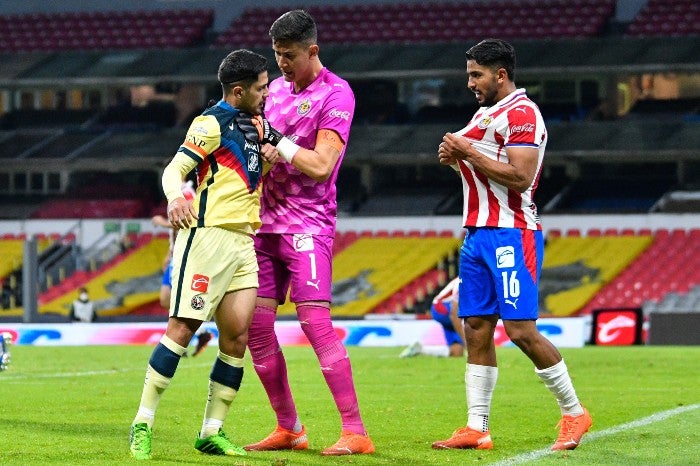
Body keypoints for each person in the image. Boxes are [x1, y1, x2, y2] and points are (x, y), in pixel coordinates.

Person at [432, 39, 592, 452]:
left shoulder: (522, 113)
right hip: (476, 235)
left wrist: (464, 148)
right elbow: (479, 168)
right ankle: (477, 427)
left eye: (476, 74)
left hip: (511, 233)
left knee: (520, 330)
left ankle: (574, 412)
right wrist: (455, 156)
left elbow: (520, 177)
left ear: (500, 74)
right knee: (477, 329)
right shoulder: (486, 114)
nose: (469, 82)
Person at [128, 49, 271, 460]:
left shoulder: (259, 122)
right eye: (260, 88)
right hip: (206, 239)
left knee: (236, 337)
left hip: (244, 242)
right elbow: (174, 170)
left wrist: (273, 160)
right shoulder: (210, 123)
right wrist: (175, 197)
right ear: (239, 90)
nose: (266, 93)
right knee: (183, 327)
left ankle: (211, 430)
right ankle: (143, 422)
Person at [243, 10, 374, 456]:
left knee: (315, 324)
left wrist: (278, 146)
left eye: (289, 55)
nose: (280, 63)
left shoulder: (336, 94)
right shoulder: (274, 91)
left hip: (307, 225)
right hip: (264, 226)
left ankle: (355, 432)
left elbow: (320, 167)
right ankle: (289, 428)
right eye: (277, 54)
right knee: (255, 328)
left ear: (312, 50)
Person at [399, 277, 465, 358]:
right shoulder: (465, 279)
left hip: (442, 309)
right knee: (470, 320)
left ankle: (420, 349)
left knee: (457, 351)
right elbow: (454, 311)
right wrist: (466, 341)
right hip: (442, 308)